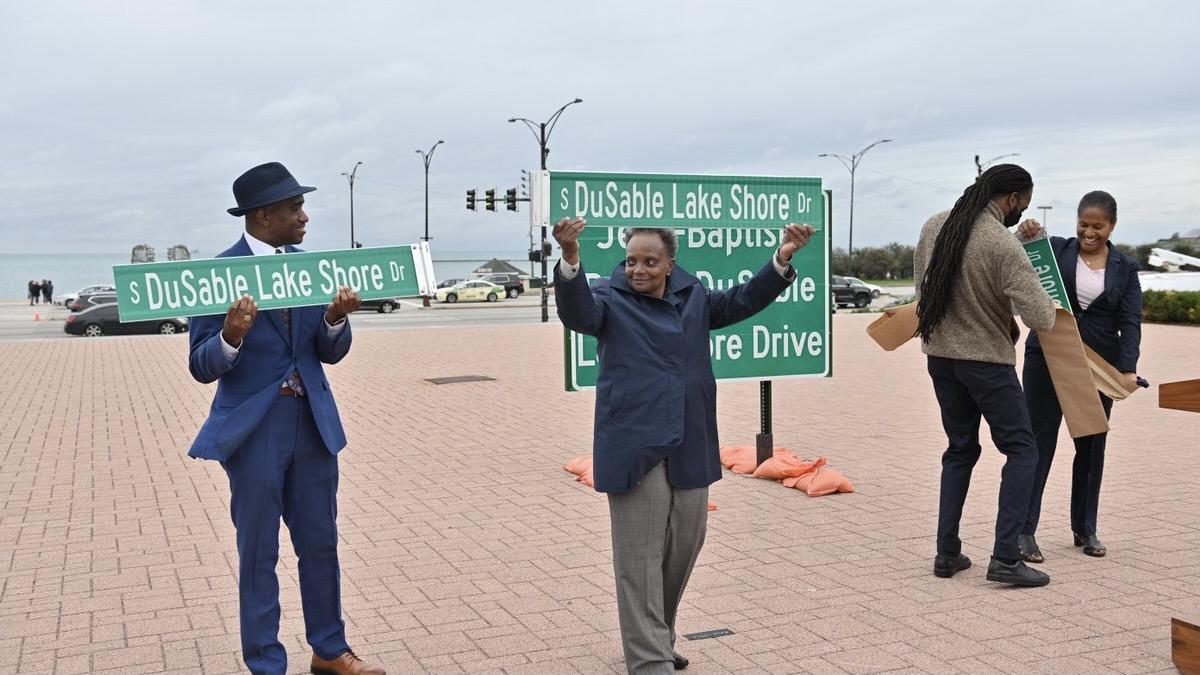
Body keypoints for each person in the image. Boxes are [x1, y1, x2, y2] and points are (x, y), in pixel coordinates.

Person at [553, 218, 813, 674]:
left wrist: (782, 257)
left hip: (690, 437)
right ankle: (649, 658)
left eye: (650, 261)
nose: (639, 269)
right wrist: (571, 258)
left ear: (670, 264)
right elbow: (577, 315)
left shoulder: (693, 299)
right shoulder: (608, 301)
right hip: (637, 442)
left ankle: (659, 635)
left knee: (683, 546)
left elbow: (743, 299)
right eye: (632, 260)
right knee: (639, 557)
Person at [187, 162, 383, 675]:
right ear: (264, 214)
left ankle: (329, 648)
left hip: (313, 422)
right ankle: (266, 662)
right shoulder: (218, 273)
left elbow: (327, 352)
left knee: (320, 541)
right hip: (255, 430)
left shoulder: (312, 268)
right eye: (295, 208)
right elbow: (200, 364)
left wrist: (336, 319)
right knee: (259, 552)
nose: (304, 216)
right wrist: (230, 335)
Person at [913, 164, 1057, 587]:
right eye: (1023, 204)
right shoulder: (1002, 245)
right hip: (987, 363)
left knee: (959, 449)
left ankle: (947, 552)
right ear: (1013, 198)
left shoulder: (935, 226)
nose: (1021, 211)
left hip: (940, 358)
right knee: (1022, 450)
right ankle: (1006, 558)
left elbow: (929, 288)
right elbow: (1041, 317)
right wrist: (1035, 255)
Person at [1017, 191, 1142, 562]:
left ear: (1112, 226)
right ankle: (1025, 530)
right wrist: (1026, 232)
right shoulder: (1055, 250)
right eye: (1083, 224)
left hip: (1097, 365)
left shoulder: (1126, 267)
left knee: (1091, 447)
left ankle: (1085, 527)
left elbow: (1130, 321)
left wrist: (1128, 367)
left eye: (1097, 226)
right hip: (1048, 358)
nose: (1089, 233)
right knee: (1037, 444)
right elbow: (1018, 255)